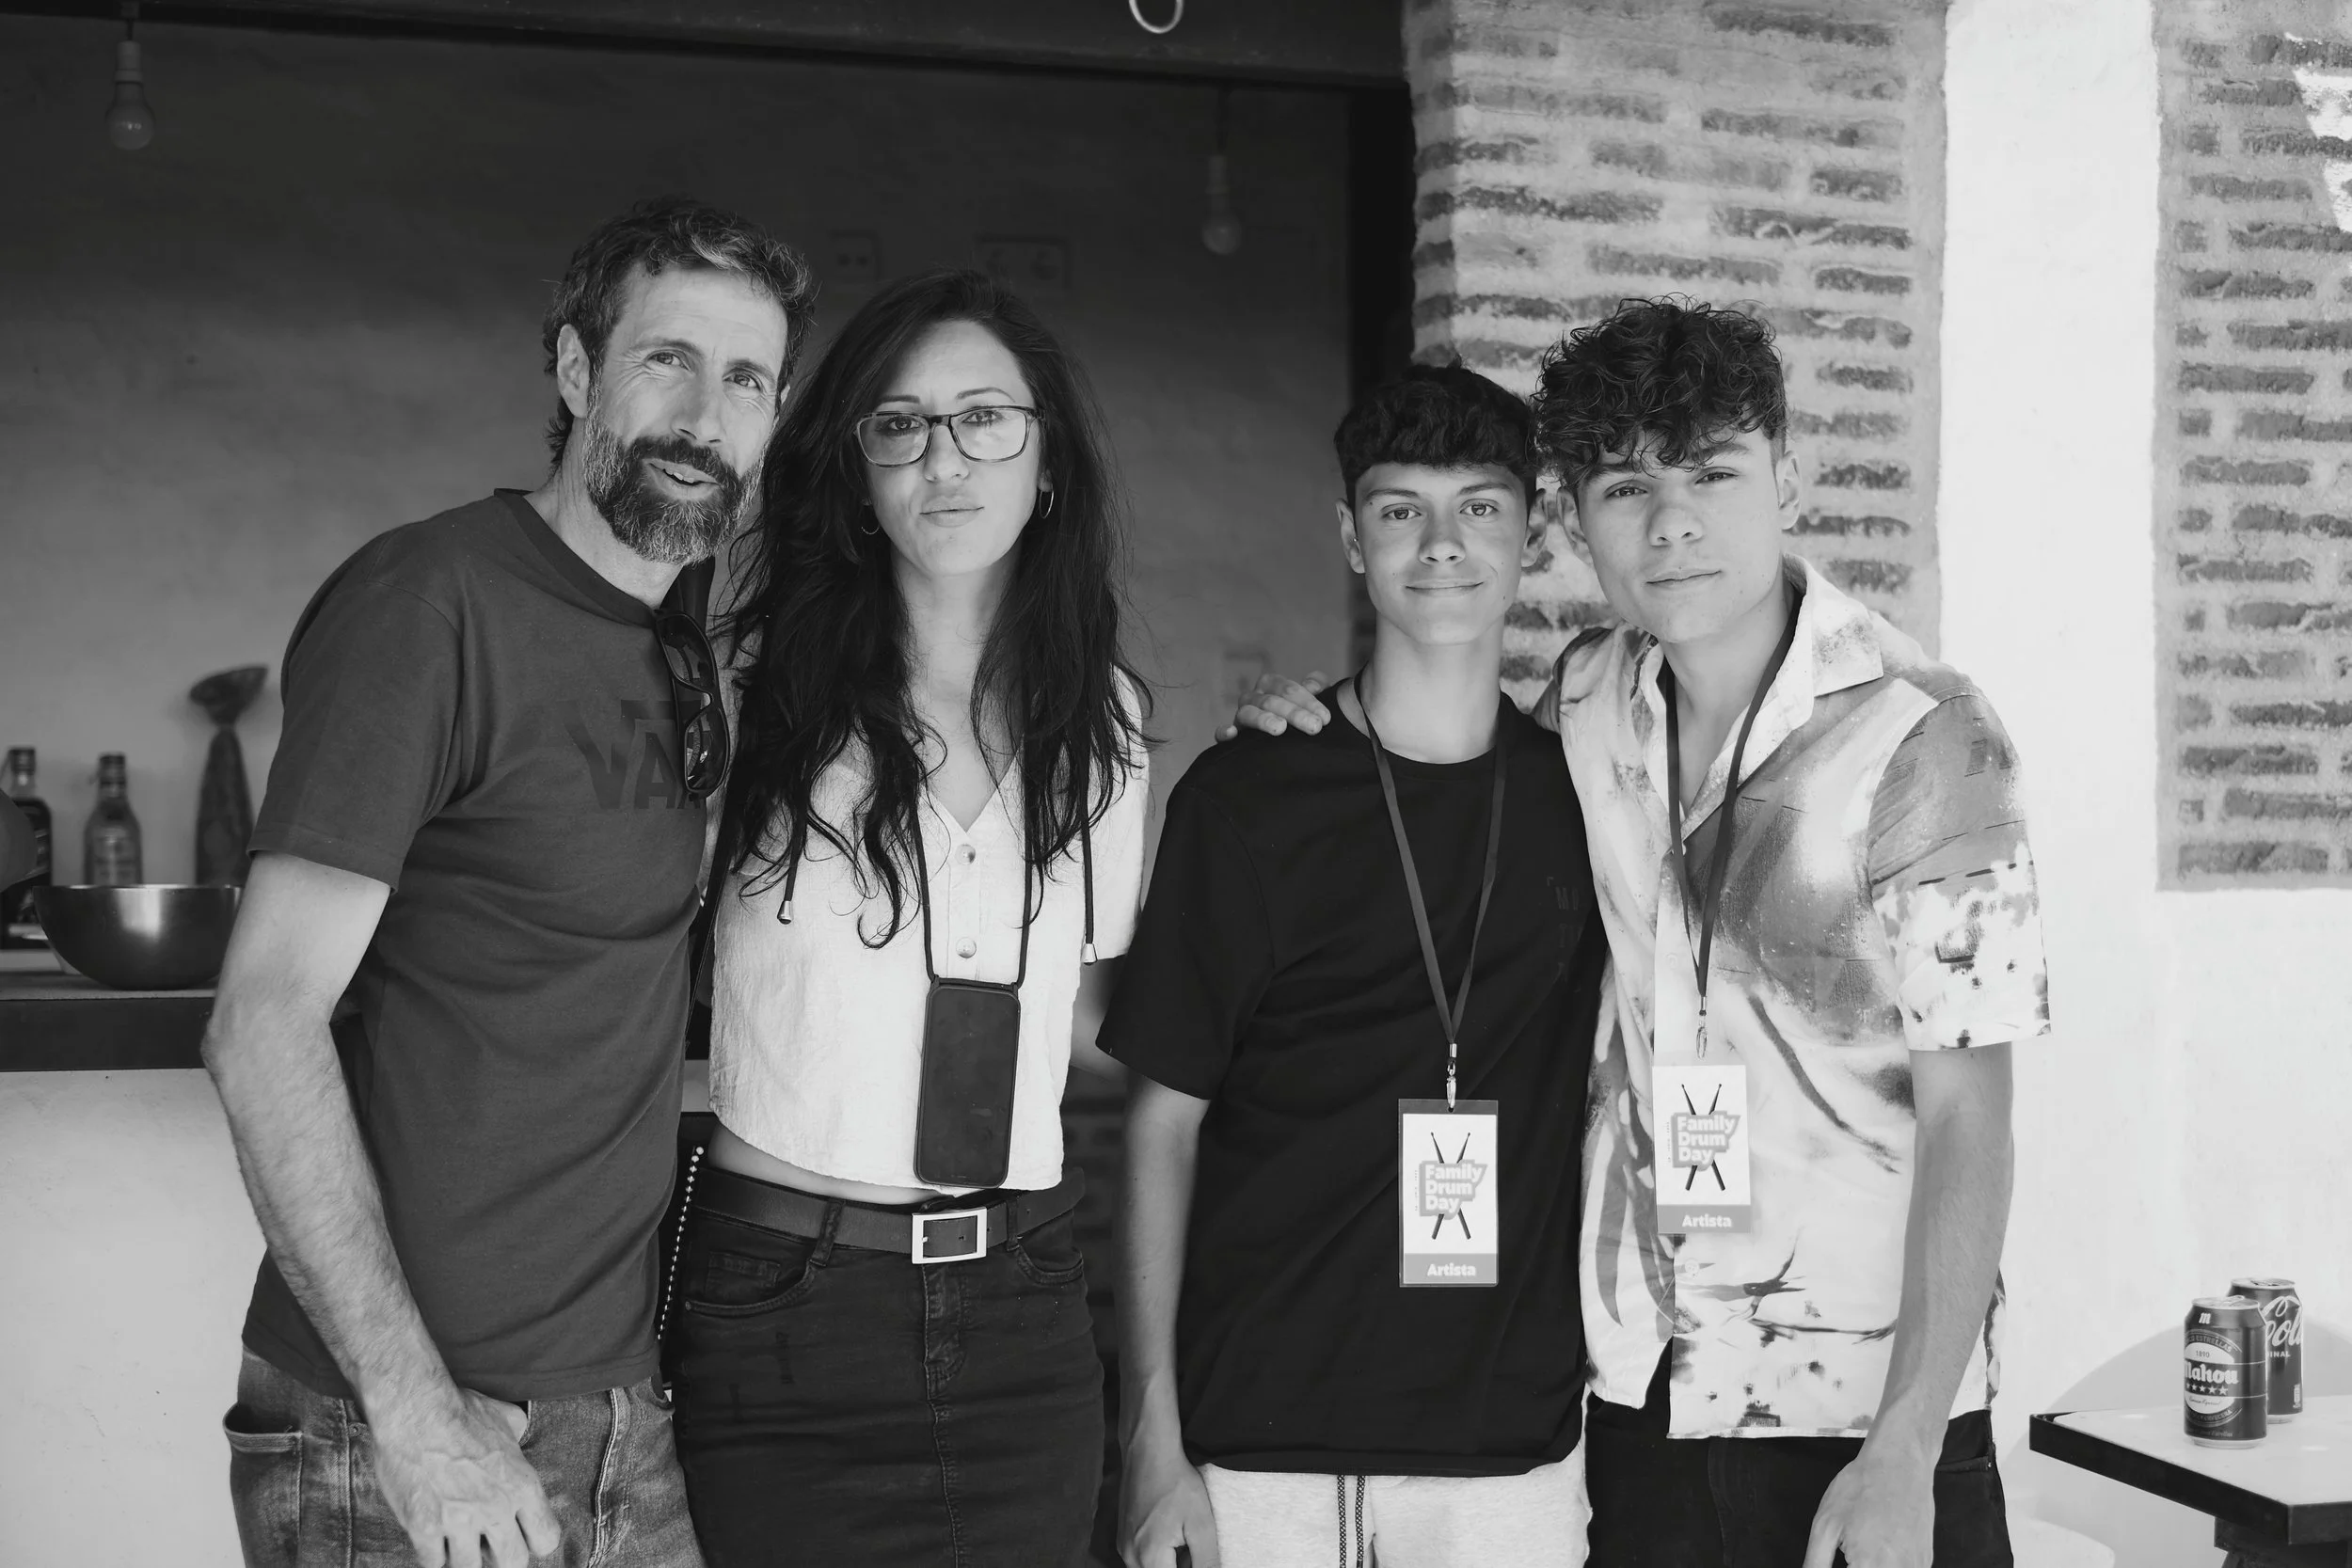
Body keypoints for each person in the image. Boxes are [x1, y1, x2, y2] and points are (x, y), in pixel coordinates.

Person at [1234, 300, 2048, 1568]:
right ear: (1574, 518)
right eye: (1624, 485)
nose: (1670, 525)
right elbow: (1437, 765)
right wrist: (1311, 727)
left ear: (1790, 475)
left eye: (1712, 474)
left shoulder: (1926, 736)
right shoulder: (1586, 699)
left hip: (1856, 1417)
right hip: (1637, 1393)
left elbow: (1971, 1115)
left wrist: (1907, 1440)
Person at [203, 197, 814, 1568]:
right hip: (404, 1430)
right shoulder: (432, 603)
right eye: (668, 358)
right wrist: (417, 1417)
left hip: (618, 1420)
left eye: (749, 379)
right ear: (578, 371)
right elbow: (260, 1022)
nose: (705, 414)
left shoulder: (683, 656)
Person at [666, 269, 1150, 1568]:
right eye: (901, 424)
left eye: (987, 416)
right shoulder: (746, 691)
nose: (946, 456)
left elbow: (1091, 1016)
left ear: (1047, 461)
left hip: (1025, 1303)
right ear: (857, 471)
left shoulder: (1104, 719)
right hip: (784, 1303)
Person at [1112, 365, 1607, 1568]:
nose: (1441, 545)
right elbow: (1160, 1128)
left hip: (1512, 1451)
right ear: (1350, 535)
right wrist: (1152, 1442)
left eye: (1480, 507)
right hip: (1259, 1451)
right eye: (1399, 510)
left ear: (1532, 528)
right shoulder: (1244, 797)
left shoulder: (1594, 797)